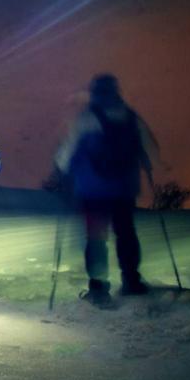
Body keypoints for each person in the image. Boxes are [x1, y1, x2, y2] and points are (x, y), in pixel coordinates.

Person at [54, 73, 160, 306]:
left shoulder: (86, 118)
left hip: (92, 190)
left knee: (96, 238)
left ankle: (99, 287)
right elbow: (150, 148)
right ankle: (132, 280)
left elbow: (67, 151)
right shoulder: (131, 117)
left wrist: (62, 170)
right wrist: (149, 165)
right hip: (124, 187)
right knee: (126, 234)